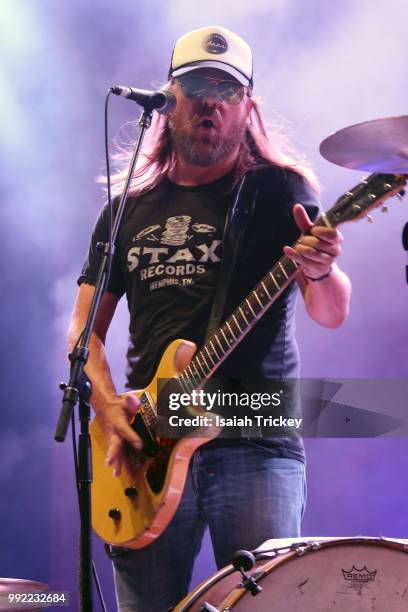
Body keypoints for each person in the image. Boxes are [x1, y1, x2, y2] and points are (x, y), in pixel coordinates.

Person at [68, 25, 351, 612]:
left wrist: (321, 271)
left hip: (256, 439)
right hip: (148, 442)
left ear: (246, 106)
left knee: (268, 605)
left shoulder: (280, 191)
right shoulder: (126, 210)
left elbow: (331, 313)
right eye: (197, 85)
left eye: (226, 89)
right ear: (169, 99)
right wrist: (105, 403)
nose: (211, 102)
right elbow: (84, 329)